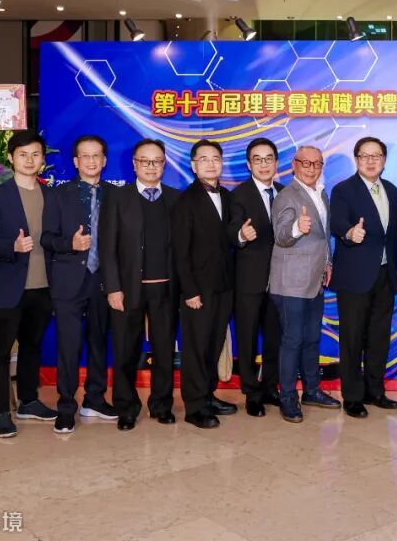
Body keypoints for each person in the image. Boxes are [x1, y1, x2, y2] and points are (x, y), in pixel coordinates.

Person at [0, 130, 57, 438]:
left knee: (32, 346)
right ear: (11, 158)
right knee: (0, 352)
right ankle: (0, 412)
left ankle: (29, 401)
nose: (30, 160)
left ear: (43, 159)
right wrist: (11, 246)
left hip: (44, 286)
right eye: (23, 155)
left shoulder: (51, 196)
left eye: (35, 154)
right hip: (9, 288)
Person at [99, 138, 180, 430]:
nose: (151, 166)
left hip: (166, 289)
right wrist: (113, 288)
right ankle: (127, 408)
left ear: (164, 164)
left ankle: (162, 405)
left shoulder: (176, 199)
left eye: (157, 161)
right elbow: (107, 247)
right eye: (145, 161)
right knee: (125, 351)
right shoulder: (117, 198)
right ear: (134, 164)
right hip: (128, 288)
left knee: (164, 352)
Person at [41, 135, 118, 434]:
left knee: (99, 342)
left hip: (103, 280)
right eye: (85, 156)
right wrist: (69, 244)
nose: (91, 161)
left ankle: (95, 399)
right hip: (68, 280)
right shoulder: (58, 195)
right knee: (68, 346)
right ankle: (66, 407)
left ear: (104, 160)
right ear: (75, 161)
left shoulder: (116, 195)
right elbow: (46, 238)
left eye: (96, 155)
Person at [329, 137, 397, 419]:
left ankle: (375, 390)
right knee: (352, 338)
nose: (371, 161)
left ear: (384, 160)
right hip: (355, 276)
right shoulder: (343, 190)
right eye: (365, 156)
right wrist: (350, 233)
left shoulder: (392, 190)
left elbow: (395, 234)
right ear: (356, 159)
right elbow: (336, 222)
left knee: (378, 336)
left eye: (376, 156)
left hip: (385, 275)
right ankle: (352, 396)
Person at [270, 145, 341, 422]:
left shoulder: (321, 193)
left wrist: (328, 263)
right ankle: (288, 397)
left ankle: (311, 390)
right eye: (305, 163)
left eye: (317, 163)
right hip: (291, 283)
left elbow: (324, 235)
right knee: (293, 340)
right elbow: (281, 235)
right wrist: (297, 228)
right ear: (294, 165)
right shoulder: (286, 195)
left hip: (315, 279)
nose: (311, 168)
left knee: (312, 339)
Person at [171, 139, 236, 429]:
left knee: (213, 344)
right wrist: (190, 291)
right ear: (193, 165)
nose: (211, 164)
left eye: (216, 159)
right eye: (204, 159)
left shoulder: (228, 197)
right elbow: (180, 251)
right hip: (198, 290)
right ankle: (195, 406)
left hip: (224, 286)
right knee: (196, 348)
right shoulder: (185, 201)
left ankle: (208, 395)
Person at [228, 137, 285, 418]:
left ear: (276, 162)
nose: (264, 164)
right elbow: (231, 230)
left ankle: (270, 387)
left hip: (281, 281)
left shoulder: (286, 193)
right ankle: (252, 393)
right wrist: (241, 234)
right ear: (249, 164)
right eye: (257, 159)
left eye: (268, 158)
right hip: (249, 282)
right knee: (248, 338)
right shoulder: (238, 195)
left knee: (275, 338)